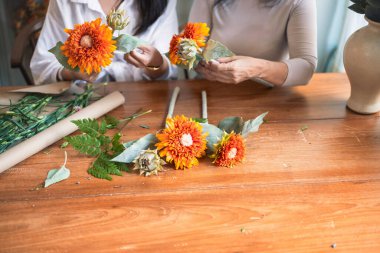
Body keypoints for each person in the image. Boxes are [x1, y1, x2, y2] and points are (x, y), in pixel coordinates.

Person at [31, 0, 178, 85]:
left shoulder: (164, 3)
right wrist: (72, 72)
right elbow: (42, 67)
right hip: (80, 101)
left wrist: (156, 63)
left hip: (145, 99)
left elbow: (169, 71)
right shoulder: (64, 2)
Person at [189, 0, 317, 87]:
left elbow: (306, 67)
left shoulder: (298, 2)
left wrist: (257, 69)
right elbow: (191, 47)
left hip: (268, 95)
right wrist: (198, 64)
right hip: (209, 91)